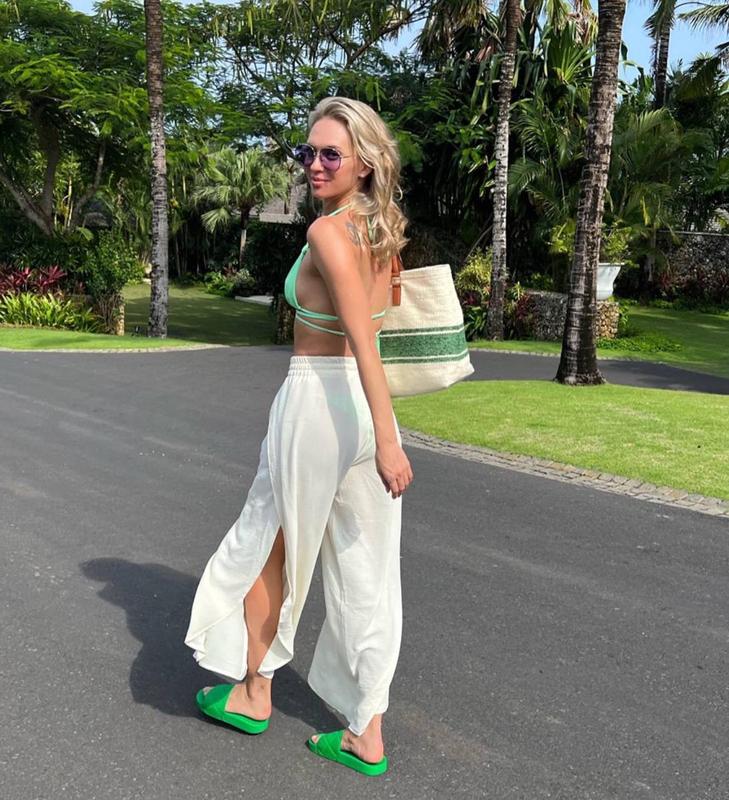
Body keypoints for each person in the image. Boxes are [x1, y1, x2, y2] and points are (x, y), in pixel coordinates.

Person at [184, 96, 413, 777]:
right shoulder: (382, 233)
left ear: (364, 162)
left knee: (269, 546)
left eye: (330, 154)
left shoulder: (326, 233)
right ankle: (366, 734)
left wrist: (388, 441)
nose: (314, 164)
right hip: (365, 412)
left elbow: (363, 341)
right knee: (368, 569)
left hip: (319, 401)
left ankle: (255, 694)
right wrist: (384, 433)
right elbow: (387, 317)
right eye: (307, 152)